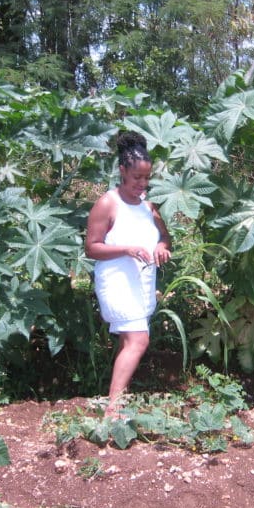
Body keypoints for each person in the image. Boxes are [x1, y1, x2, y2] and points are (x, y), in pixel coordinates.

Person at [85, 131, 172, 418]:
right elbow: (92, 248)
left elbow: (165, 238)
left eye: (147, 179)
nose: (143, 184)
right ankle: (113, 410)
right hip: (117, 283)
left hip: (142, 283)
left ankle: (116, 400)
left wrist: (161, 247)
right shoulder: (108, 203)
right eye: (137, 178)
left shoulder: (149, 206)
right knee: (139, 341)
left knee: (129, 341)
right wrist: (126, 249)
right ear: (122, 171)